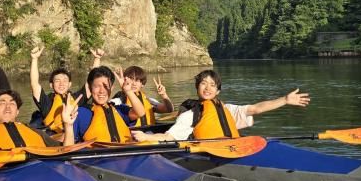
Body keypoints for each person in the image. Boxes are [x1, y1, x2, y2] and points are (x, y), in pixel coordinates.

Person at [131, 69, 310, 143]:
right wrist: (147, 138)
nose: (208, 88)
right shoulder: (191, 115)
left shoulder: (227, 109)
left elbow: (255, 109)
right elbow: (169, 137)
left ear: (218, 91)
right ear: (197, 87)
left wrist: (285, 100)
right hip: (207, 154)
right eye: (203, 84)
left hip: (230, 149)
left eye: (212, 85)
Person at [0, 89, 78, 150]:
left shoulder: (34, 133)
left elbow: (66, 149)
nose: (8, 106)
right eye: (2, 103)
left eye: (12, 103)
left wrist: (68, 125)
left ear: (17, 112)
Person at [65, 66, 146, 143]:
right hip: (97, 156)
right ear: (90, 88)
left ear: (111, 88)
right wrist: (68, 125)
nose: (102, 91)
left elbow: (140, 113)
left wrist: (128, 91)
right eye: (97, 86)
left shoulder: (119, 110)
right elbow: (68, 148)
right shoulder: (79, 113)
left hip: (124, 154)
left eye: (106, 86)